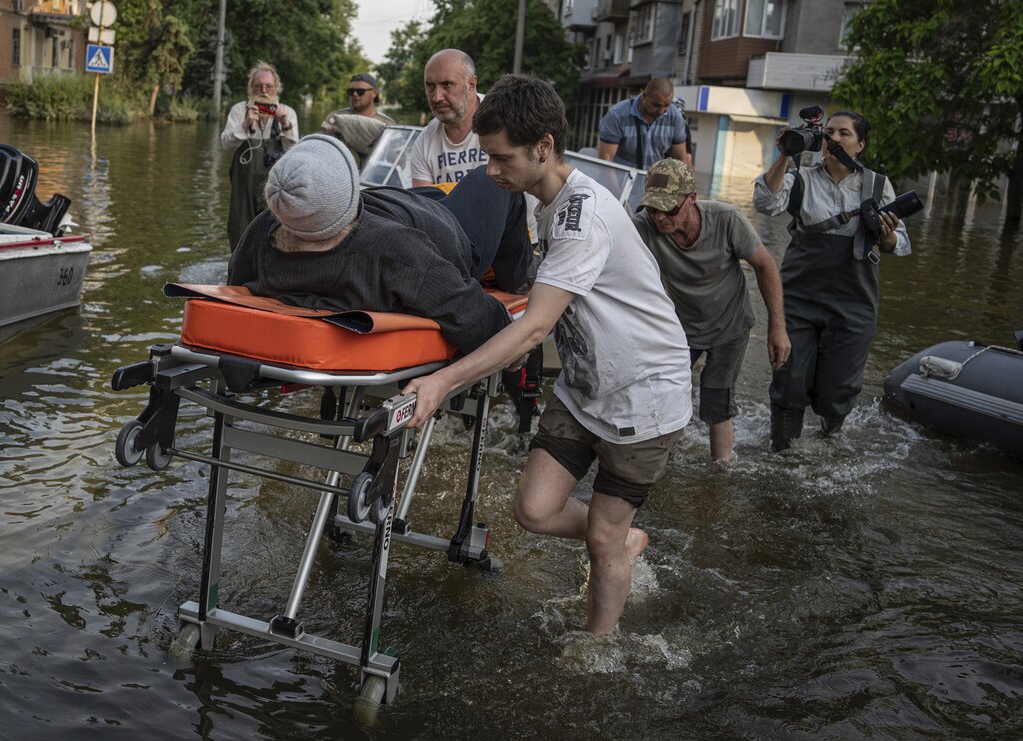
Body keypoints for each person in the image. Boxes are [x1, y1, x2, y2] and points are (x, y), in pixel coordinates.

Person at [404, 76, 692, 637]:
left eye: (499, 158)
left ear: (544, 146)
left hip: (645, 395)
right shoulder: (544, 199)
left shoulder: (582, 215)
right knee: (534, 510)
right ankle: (623, 537)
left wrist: (441, 384)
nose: (489, 173)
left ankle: (596, 647)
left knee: (601, 541)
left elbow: (536, 328)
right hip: (585, 387)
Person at [228, 134, 532, 356]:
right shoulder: (392, 251)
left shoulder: (263, 229)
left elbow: (236, 284)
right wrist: (519, 345)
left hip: (401, 209)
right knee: (494, 178)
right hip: (454, 236)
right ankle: (521, 278)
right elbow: (477, 318)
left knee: (430, 195)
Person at [753, 110, 911, 450]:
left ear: (861, 145)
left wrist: (887, 238)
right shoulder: (802, 178)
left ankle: (828, 443)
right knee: (789, 379)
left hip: (855, 303)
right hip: (798, 299)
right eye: (829, 133)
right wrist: (784, 153)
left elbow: (903, 243)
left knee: (838, 389)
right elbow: (765, 204)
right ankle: (782, 454)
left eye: (844, 134)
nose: (834, 139)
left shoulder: (878, 185)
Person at [631, 158, 791, 462]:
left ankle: (721, 471)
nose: (660, 218)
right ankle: (658, 464)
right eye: (653, 209)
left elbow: (766, 266)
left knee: (716, 401)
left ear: (692, 198)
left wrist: (777, 328)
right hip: (678, 328)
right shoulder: (642, 227)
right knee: (660, 395)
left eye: (670, 209)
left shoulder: (727, 219)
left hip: (729, 325)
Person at [220, 61, 300, 249]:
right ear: (251, 87)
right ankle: (238, 270)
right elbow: (226, 144)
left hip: (275, 183)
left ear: (276, 88)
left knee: (274, 227)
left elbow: (295, 153)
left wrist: (285, 125)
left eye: (269, 86)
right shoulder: (240, 111)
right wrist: (245, 126)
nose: (264, 90)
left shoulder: (287, 112)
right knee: (239, 227)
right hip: (243, 183)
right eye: (258, 86)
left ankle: (269, 270)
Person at [408, 49, 487, 187]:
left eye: (447, 85)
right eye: (430, 86)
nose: (437, 97)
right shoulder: (424, 142)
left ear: (471, 84)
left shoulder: (504, 120)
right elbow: (423, 206)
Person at [596, 78, 692, 170]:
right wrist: (616, 187)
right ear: (644, 96)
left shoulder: (675, 117)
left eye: (667, 105)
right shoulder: (617, 115)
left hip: (654, 182)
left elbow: (680, 159)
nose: (661, 111)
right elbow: (606, 160)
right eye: (656, 105)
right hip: (621, 181)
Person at [318, 73, 396, 162]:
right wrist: (331, 132)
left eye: (360, 91)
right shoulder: (334, 118)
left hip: (370, 174)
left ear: (374, 93)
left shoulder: (388, 124)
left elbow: (401, 162)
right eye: (351, 91)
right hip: (340, 171)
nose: (355, 94)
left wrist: (381, 141)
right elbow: (317, 148)